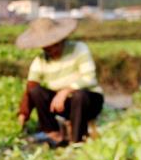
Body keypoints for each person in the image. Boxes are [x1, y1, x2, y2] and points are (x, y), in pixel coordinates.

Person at [16, 17, 104, 147]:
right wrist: (24, 113)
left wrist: (66, 91)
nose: (52, 50)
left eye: (55, 45)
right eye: (47, 48)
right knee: (36, 92)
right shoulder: (40, 61)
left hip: (88, 101)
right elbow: (31, 87)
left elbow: (89, 78)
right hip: (62, 105)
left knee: (79, 96)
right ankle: (53, 134)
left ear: (61, 40)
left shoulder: (79, 48)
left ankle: (76, 139)